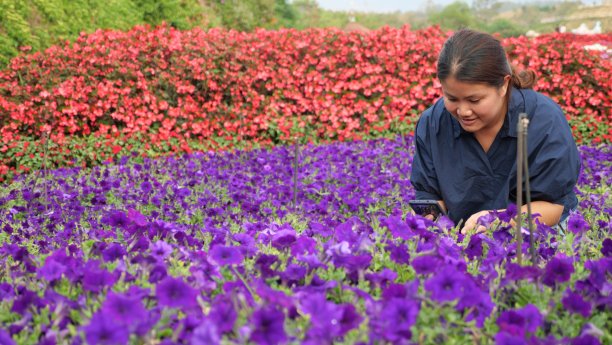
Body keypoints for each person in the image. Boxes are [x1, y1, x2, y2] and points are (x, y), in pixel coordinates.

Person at [410, 29, 580, 234]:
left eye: (475, 100)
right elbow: (429, 193)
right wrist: (430, 221)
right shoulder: (433, 123)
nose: (463, 111)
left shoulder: (543, 120)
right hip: (465, 234)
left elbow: (553, 205)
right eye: (452, 98)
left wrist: (498, 221)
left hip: (537, 229)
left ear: (503, 84)